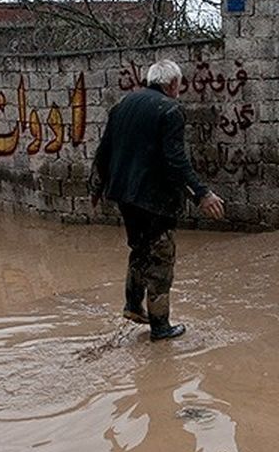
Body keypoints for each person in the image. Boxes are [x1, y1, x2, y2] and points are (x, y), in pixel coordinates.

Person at [90, 59, 225, 341]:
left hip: (124, 195)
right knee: (161, 257)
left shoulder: (122, 106)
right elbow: (176, 161)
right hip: (154, 198)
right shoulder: (171, 110)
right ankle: (160, 326)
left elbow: (103, 151)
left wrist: (96, 187)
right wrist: (202, 193)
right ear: (173, 84)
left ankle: (132, 305)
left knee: (139, 247)